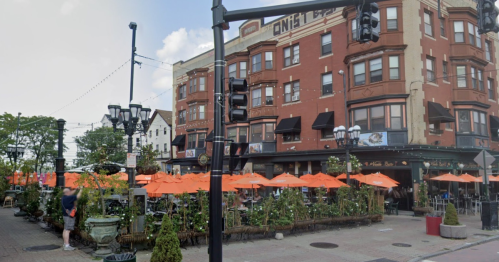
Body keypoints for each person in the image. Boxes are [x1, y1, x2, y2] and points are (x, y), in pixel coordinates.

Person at [61, 186, 83, 251]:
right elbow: (77, 196)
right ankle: (67, 245)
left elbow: (71, 194)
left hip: (66, 215)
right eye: (70, 191)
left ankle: (65, 244)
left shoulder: (64, 197)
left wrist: (75, 189)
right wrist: (81, 190)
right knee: (68, 230)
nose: (71, 192)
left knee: (65, 229)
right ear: (68, 192)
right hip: (69, 216)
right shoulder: (68, 198)